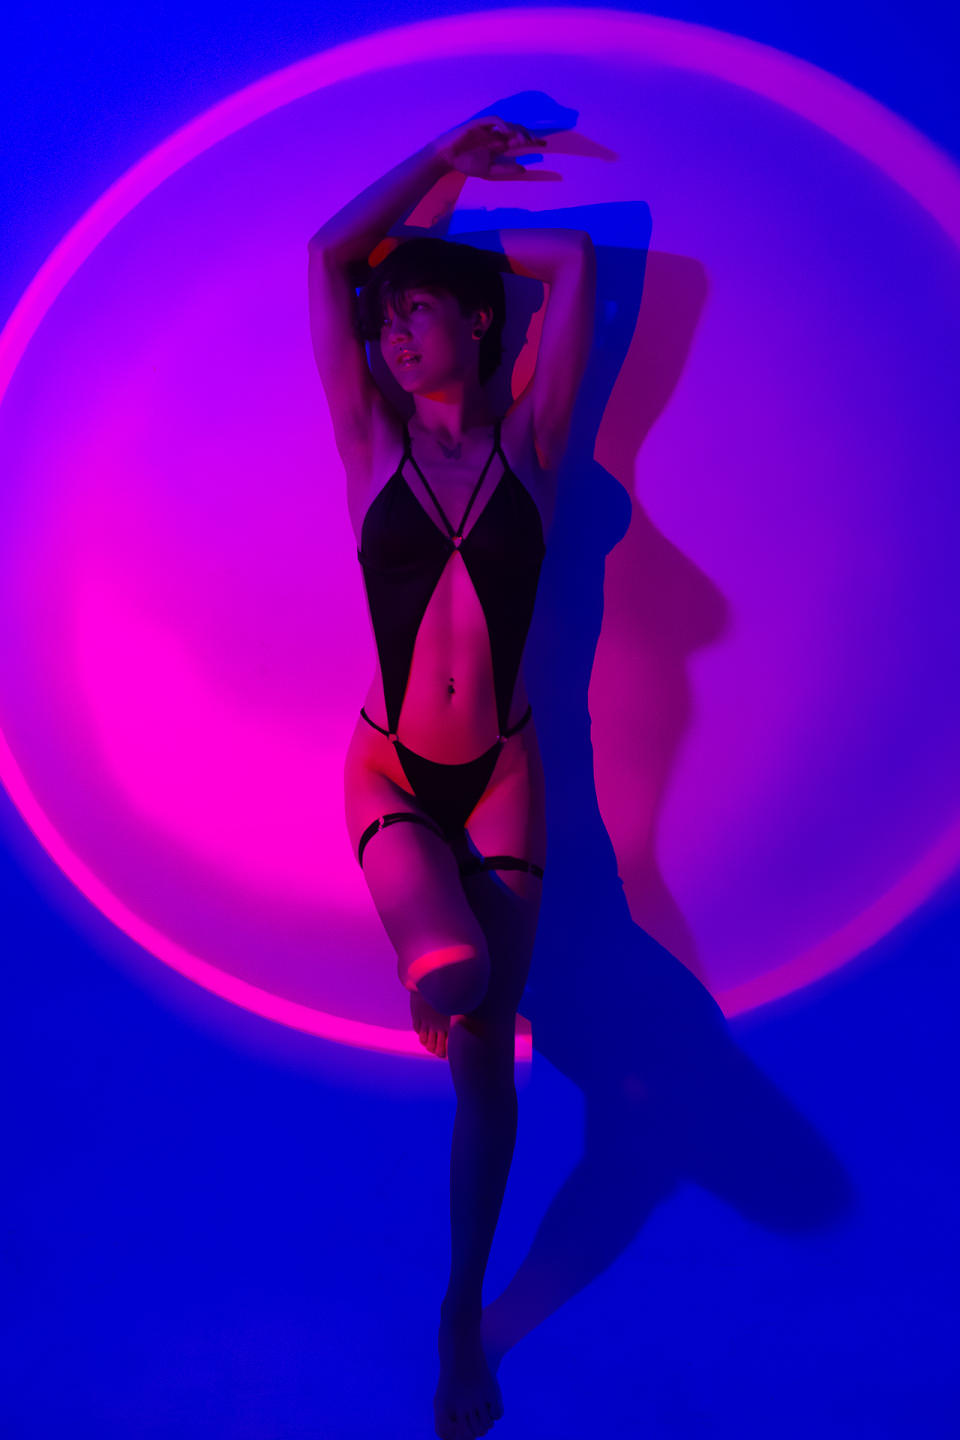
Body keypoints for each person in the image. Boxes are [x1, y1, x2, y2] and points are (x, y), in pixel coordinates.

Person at [307, 114, 595, 1440]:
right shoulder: (369, 448)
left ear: (478, 323)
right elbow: (327, 256)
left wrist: (465, 237)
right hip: (392, 771)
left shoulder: (533, 443)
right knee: (461, 978)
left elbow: (570, 262)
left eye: (417, 312)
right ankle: (433, 962)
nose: (391, 334)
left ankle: (460, 1313)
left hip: (506, 771)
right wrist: (439, 159)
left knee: (487, 1064)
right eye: (385, 322)